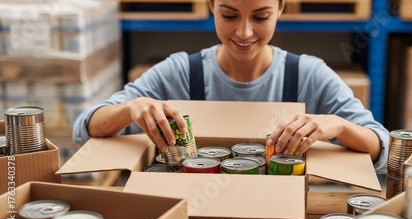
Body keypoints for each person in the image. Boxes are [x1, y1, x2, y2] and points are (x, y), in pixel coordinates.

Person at [73, 0, 389, 173]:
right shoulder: (181, 72)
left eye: (261, 16)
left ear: (280, 8)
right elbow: (85, 128)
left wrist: (336, 124)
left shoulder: (307, 74)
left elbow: (381, 148)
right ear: (211, 5)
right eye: (229, 15)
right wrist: (131, 108)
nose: (245, 32)